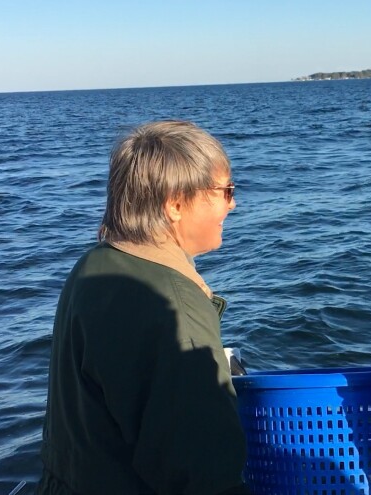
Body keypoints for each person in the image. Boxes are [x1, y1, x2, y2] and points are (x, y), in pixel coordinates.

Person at [38, 121, 249, 494]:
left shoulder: (91, 268)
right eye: (225, 191)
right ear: (175, 204)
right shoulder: (175, 309)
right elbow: (205, 471)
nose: (233, 203)